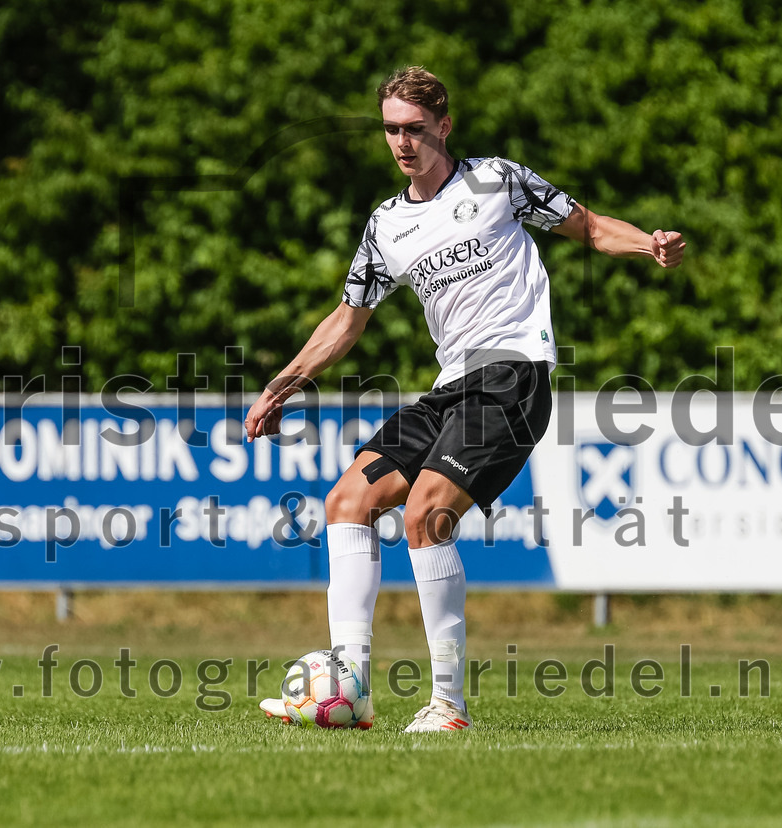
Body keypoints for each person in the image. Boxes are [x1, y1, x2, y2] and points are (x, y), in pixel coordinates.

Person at [244, 67, 685, 732]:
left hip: (514, 376)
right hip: (451, 388)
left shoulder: (497, 182)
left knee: (425, 514)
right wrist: (285, 382)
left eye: (415, 129)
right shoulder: (386, 226)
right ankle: (350, 686)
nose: (402, 142)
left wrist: (647, 243)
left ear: (443, 127)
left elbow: (589, 227)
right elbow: (347, 319)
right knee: (347, 501)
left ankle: (449, 705)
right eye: (392, 129)